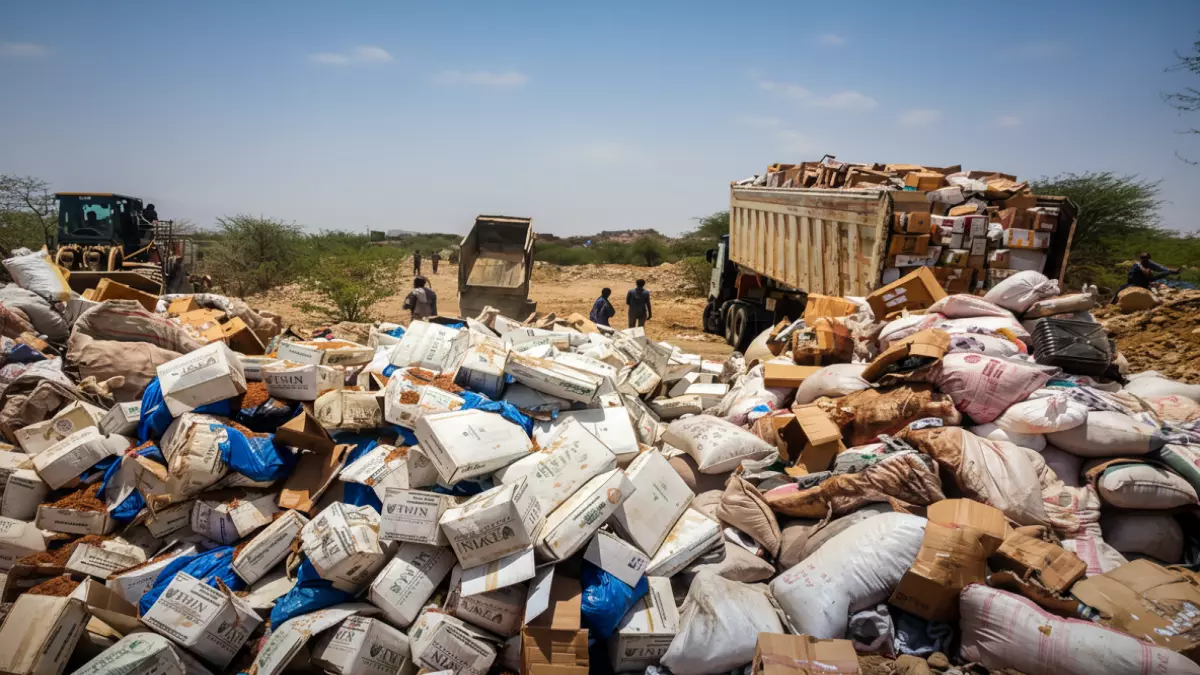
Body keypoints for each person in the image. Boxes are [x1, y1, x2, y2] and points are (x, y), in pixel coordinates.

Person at [1111, 253, 1178, 302]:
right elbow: (1135, 277)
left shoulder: (1149, 263)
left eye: (1147, 260)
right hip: (1136, 283)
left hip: (1145, 282)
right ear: (1141, 260)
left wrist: (1169, 271)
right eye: (1144, 260)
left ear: (1149, 259)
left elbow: (1160, 268)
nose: (1145, 261)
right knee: (1120, 290)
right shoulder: (1138, 266)